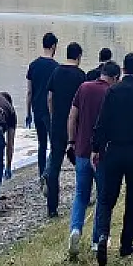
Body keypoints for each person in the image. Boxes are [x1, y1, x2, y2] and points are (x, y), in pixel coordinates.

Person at [91, 53, 133, 266]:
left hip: (113, 151)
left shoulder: (112, 92)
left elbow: (102, 123)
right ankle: (126, 243)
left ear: (123, 69)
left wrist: (96, 148)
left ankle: (102, 235)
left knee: (106, 197)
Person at [66, 61, 119, 261]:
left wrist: (71, 142)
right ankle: (97, 241)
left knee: (81, 194)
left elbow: (72, 117)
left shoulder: (84, 87)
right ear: (114, 78)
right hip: (102, 154)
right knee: (102, 197)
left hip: (81, 150)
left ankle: (75, 229)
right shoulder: (112, 94)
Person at [44, 42, 86, 218]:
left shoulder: (56, 72)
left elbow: (50, 98)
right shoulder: (81, 76)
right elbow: (83, 103)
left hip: (57, 125)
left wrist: (54, 117)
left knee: (54, 165)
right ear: (79, 57)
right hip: (75, 127)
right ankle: (83, 198)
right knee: (81, 164)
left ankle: (52, 208)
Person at [26, 32, 59, 181]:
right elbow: (55, 93)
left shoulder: (33, 65)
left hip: (36, 109)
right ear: (53, 46)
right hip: (50, 111)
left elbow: (29, 92)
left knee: (41, 144)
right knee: (54, 144)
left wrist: (28, 113)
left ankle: (41, 174)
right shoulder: (56, 67)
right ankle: (50, 173)